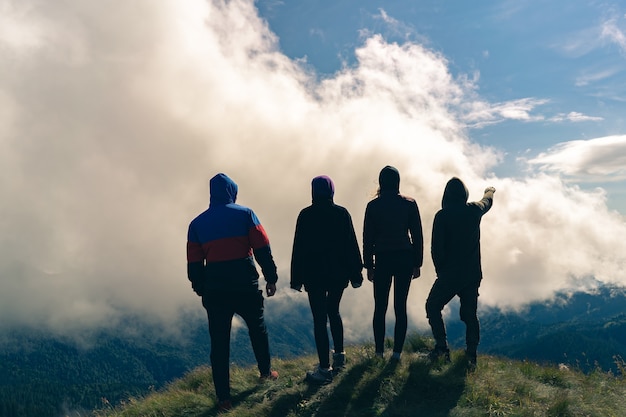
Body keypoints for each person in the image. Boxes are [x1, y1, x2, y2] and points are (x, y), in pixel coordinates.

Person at [186, 173, 279, 412]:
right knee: (257, 329)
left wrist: (201, 289)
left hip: (215, 289)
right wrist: (271, 278)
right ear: (232, 191)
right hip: (245, 284)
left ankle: (224, 398)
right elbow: (262, 249)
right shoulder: (246, 214)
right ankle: (266, 373)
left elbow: (194, 264)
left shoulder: (197, 225)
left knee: (219, 343)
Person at [290, 175, 363, 384]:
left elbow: (299, 249)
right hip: (338, 274)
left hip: (314, 276)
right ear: (331, 190)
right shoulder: (341, 213)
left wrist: (296, 279)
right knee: (334, 311)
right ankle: (339, 357)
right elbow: (351, 245)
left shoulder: (305, 215)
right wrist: (356, 274)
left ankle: (324, 369)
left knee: (319, 319)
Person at [426, 177, 495, 367]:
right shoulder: (474, 210)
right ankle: (471, 354)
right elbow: (486, 202)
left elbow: (436, 249)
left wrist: (441, 271)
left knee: (433, 306)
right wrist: (489, 190)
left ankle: (442, 349)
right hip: (472, 275)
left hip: (449, 274)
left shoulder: (442, 216)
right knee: (470, 314)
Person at [363, 166, 423, 361]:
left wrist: (368, 265)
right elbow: (417, 236)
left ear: (381, 182)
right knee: (400, 306)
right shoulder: (409, 204)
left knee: (380, 307)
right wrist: (417, 263)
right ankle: (396, 353)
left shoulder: (373, 206)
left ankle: (379, 352)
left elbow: (367, 238)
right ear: (398, 182)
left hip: (382, 259)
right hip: (405, 258)